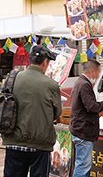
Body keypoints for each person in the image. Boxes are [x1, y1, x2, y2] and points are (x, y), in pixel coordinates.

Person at [2, 46, 62, 177]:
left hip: (14, 141)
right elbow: (57, 113)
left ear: (30, 60)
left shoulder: (11, 79)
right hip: (40, 145)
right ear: (45, 62)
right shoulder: (51, 85)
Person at [69, 60, 103, 177]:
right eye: (98, 72)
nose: (98, 76)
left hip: (79, 129)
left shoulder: (79, 82)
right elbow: (91, 106)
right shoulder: (84, 84)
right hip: (83, 130)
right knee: (83, 166)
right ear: (93, 71)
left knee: (83, 165)